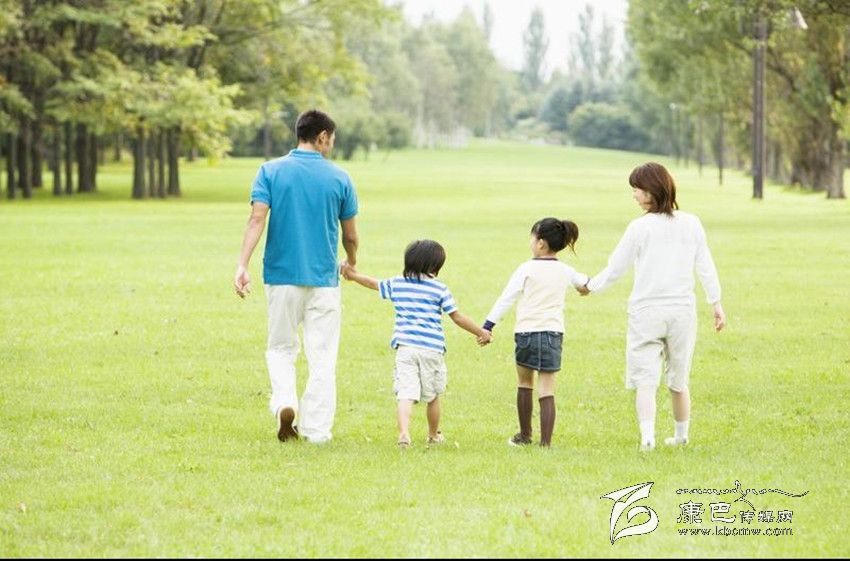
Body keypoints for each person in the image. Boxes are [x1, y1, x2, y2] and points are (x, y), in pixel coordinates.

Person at [580, 162, 726, 451]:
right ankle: (681, 436)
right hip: (682, 311)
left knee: (645, 380)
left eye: (637, 189)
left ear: (651, 191)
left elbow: (616, 267)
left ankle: (648, 438)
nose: (634, 195)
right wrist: (716, 303)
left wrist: (590, 286)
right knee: (679, 379)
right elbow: (705, 266)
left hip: (646, 311)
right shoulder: (691, 223)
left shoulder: (639, 227)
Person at [234, 109, 359, 444]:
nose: (332, 145)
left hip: (281, 276)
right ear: (322, 137)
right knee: (323, 356)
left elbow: (256, 220)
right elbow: (350, 235)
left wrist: (242, 264)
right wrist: (351, 261)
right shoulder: (340, 177)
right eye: (331, 139)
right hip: (324, 279)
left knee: (280, 347)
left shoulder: (270, 171)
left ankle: (285, 402)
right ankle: (317, 431)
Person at [342, 240, 492, 448]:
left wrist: (353, 276)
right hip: (431, 349)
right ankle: (433, 435)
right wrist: (481, 332)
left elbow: (373, 283)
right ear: (435, 266)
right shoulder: (439, 289)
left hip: (406, 348)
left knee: (405, 394)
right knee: (432, 396)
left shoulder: (398, 283)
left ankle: (404, 433)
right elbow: (457, 317)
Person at [482, 218, 589, 447]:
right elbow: (585, 283)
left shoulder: (526, 269)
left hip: (526, 333)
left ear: (541, 243)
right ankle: (545, 443)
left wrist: (488, 325)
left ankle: (525, 435)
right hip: (553, 334)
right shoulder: (565, 270)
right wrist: (585, 289)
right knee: (547, 388)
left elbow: (506, 298)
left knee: (524, 382)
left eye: (532, 238)